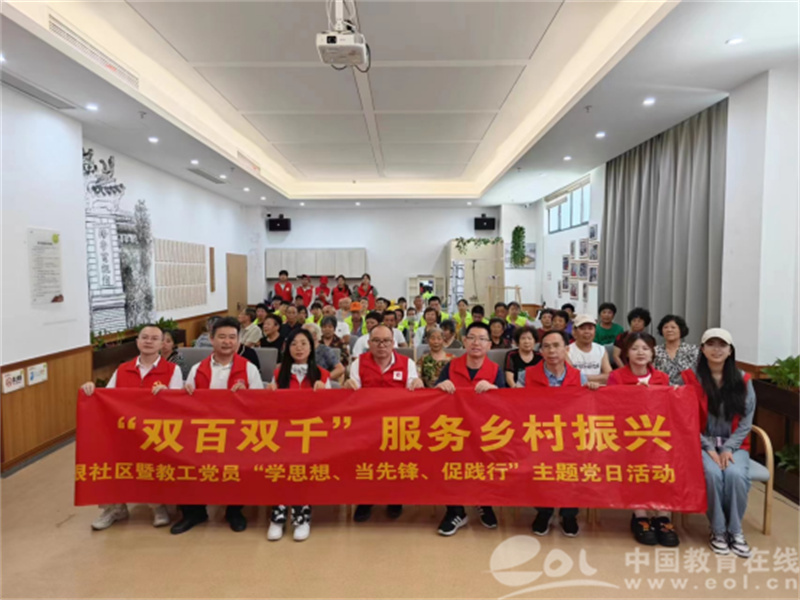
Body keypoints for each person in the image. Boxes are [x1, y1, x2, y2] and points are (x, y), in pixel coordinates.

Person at [80, 325, 181, 531]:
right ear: (137, 342)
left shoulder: (173, 370)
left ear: (162, 344)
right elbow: (107, 398)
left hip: (156, 432)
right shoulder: (123, 369)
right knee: (108, 460)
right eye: (144, 337)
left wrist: (168, 394)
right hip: (125, 430)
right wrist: (91, 390)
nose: (148, 341)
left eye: (154, 338)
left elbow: (179, 405)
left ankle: (157, 506)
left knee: (153, 462)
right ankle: (115, 508)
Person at [172, 317, 264, 535]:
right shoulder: (198, 369)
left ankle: (234, 511)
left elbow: (260, 406)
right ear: (211, 339)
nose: (227, 342)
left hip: (238, 432)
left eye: (232, 337)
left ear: (239, 341)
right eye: (222, 337)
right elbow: (187, 404)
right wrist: (186, 393)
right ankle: (194, 512)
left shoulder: (249, 369)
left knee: (240, 463)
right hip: (204, 430)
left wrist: (247, 396)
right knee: (184, 458)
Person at [682, 329, 755, 558]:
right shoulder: (690, 378)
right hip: (700, 443)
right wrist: (709, 447)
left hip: (735, 445)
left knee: (735, 475)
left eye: (722, 345)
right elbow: (686, 419)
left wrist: (728, 448)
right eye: (711, 344)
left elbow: (746, 421)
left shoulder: (743, 380)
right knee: (712, 474)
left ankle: (735, 531)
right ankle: (719, 531)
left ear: (730, 351)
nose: (716, 349)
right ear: (702, 349)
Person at [518, 330, 596, 537]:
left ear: (566, 349)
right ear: (541, 351)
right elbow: (515, 405)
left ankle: (569, 514)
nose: (551, 351)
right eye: (546, 346)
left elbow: (588, 409)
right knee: (538, 468)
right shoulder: (526, 375)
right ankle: (544, 512)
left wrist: (593, 392)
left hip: (570, 436)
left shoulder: (579, 376)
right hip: (538, 434)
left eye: (556, 346)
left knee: (575, 468)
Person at [345, 325, 423, 522]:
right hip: (367, 424)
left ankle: (394, 499)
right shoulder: (358, 364)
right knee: (366, 461)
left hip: (397, 424)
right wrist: (347, 387)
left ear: (393, 343)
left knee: (396, 459)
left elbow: (413, 394)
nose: (382, 345)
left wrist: (418, 385)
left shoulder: (407, 363)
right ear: (369, 343)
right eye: (377, 341)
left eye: (386, 341)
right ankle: (366, 500)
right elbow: (353, 396)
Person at [606, 332, 676, 547]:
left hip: (657, 436)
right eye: (635, 348)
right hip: (628, 437)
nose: (640, 353)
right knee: (635, 465)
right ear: (627, 353)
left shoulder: (662, 378)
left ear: (652, 353)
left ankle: (663, 516)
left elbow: (670, 409)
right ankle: (640, 515)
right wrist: (632, 396)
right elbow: (610, 408)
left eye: (645, 349)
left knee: (667, 464)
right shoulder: (617, 377)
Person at [434, 322, 504, 536]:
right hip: (455, 429)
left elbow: (506, 404)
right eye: (472, 338)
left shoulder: (495, 370)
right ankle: (455, 511)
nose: (476, 343)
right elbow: (434, 398)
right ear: (464, 341)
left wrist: (495, 390)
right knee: (449, 464)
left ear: (489, 345)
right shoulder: (451, 367)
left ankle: (483, 502)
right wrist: (440, 387)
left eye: (482, 339)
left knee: (487, 463)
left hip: (484, 430)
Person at [265, 328, 331, 542]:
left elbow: (332, 411)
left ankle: (301, 517)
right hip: (283, 434)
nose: (299, 348)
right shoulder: (278, 373)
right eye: (294, 344)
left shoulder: (322, 374)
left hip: (312, 434)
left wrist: (325, 393)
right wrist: (269, 394)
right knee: (280, 468)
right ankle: (278, 516)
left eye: (303, 343)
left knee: (302, 469)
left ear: (311, 347)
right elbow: (270, 408)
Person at [654, 314, 699, 386]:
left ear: (681, 330)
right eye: (665, 327)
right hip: (662, 389)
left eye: (673, 327)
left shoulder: (692, 350)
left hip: (686, 390)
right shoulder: (655, 351)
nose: (669, 330)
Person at [567, 315, 612, 384]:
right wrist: (598, 378)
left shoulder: (601, 349)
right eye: (583, 328)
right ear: (575, 331)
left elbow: (609, 376)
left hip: (597, 388)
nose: (587, 332)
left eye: (590, 328)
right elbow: (570, 377)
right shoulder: (567, 351)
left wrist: (582, 378)